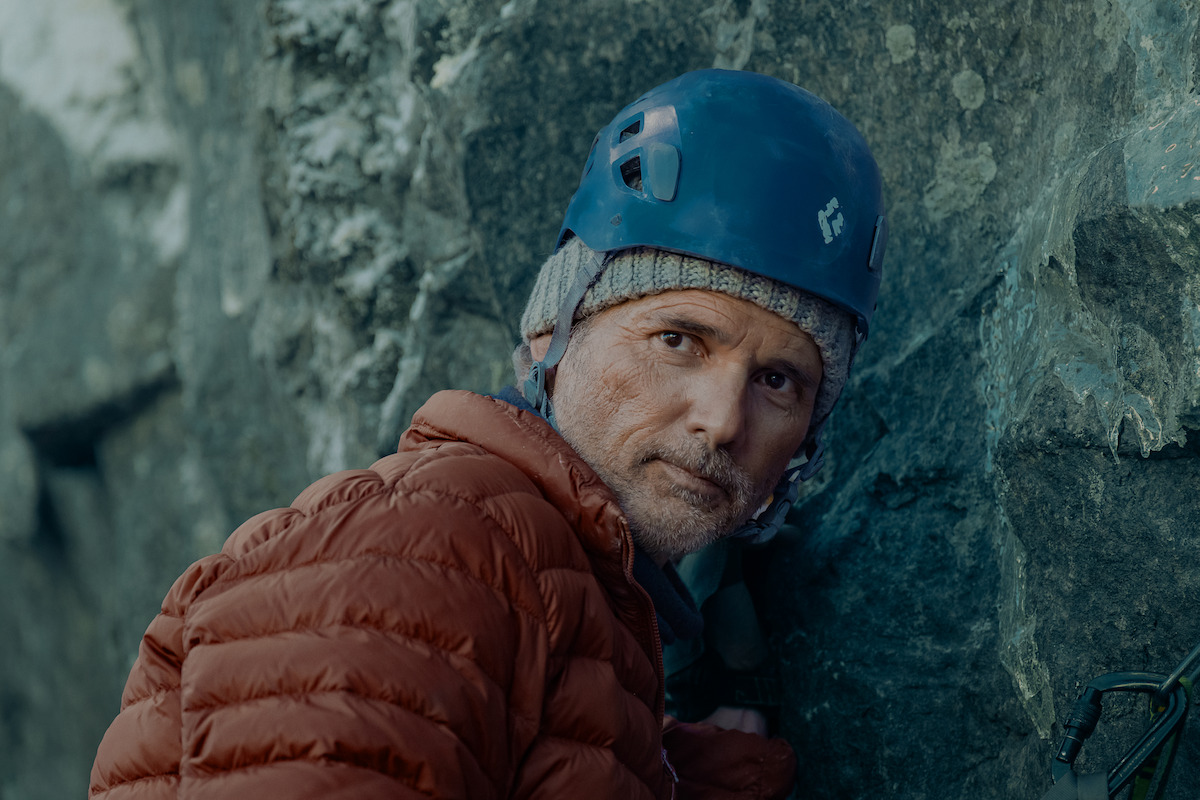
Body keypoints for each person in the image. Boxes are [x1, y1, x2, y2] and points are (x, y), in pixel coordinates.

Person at [90, 68, 886, 799]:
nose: (722, 420)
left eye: (779, 381)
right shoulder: (427, 547)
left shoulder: (538, 593)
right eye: (678, 339)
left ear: (806, 440)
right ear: (552, 332)